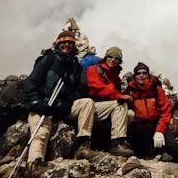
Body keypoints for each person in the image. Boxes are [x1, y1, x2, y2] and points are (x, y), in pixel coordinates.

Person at [23, 31, 95, 171]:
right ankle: (35, 164)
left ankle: (83, 143)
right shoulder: (48, 60)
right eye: (63, 42)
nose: (66, 45)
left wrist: (69, 101)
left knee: (87, 102)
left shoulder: (76, 66)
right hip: (44, 104)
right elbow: (31, 83)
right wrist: (36, 102)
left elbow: (81, 88)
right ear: (58, 44)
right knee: (41, 132)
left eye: (70, 42)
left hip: (63, 105)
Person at [126, 62, 178, 178]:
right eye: (138, 73)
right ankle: (155, 152)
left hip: (158, 123)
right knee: (137, 139)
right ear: (135, 76)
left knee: (172, 146)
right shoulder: (130, 90)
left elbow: (165, 112)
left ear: (148, 75)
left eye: (144, 73)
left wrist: (160, 131)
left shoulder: (157, 90)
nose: (141, 75)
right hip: (140, 125)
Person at [85, 46, 135, 156]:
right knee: (120, 105)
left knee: (130, 114)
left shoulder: (116, 77)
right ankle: (117, 143)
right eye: (110, 56)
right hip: (91, 108)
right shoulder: (93, 70)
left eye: (116, 58)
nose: (113, 60)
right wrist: (119, 96)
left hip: (105, 108)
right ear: (105, 57)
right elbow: (96, 90)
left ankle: (114, 141)